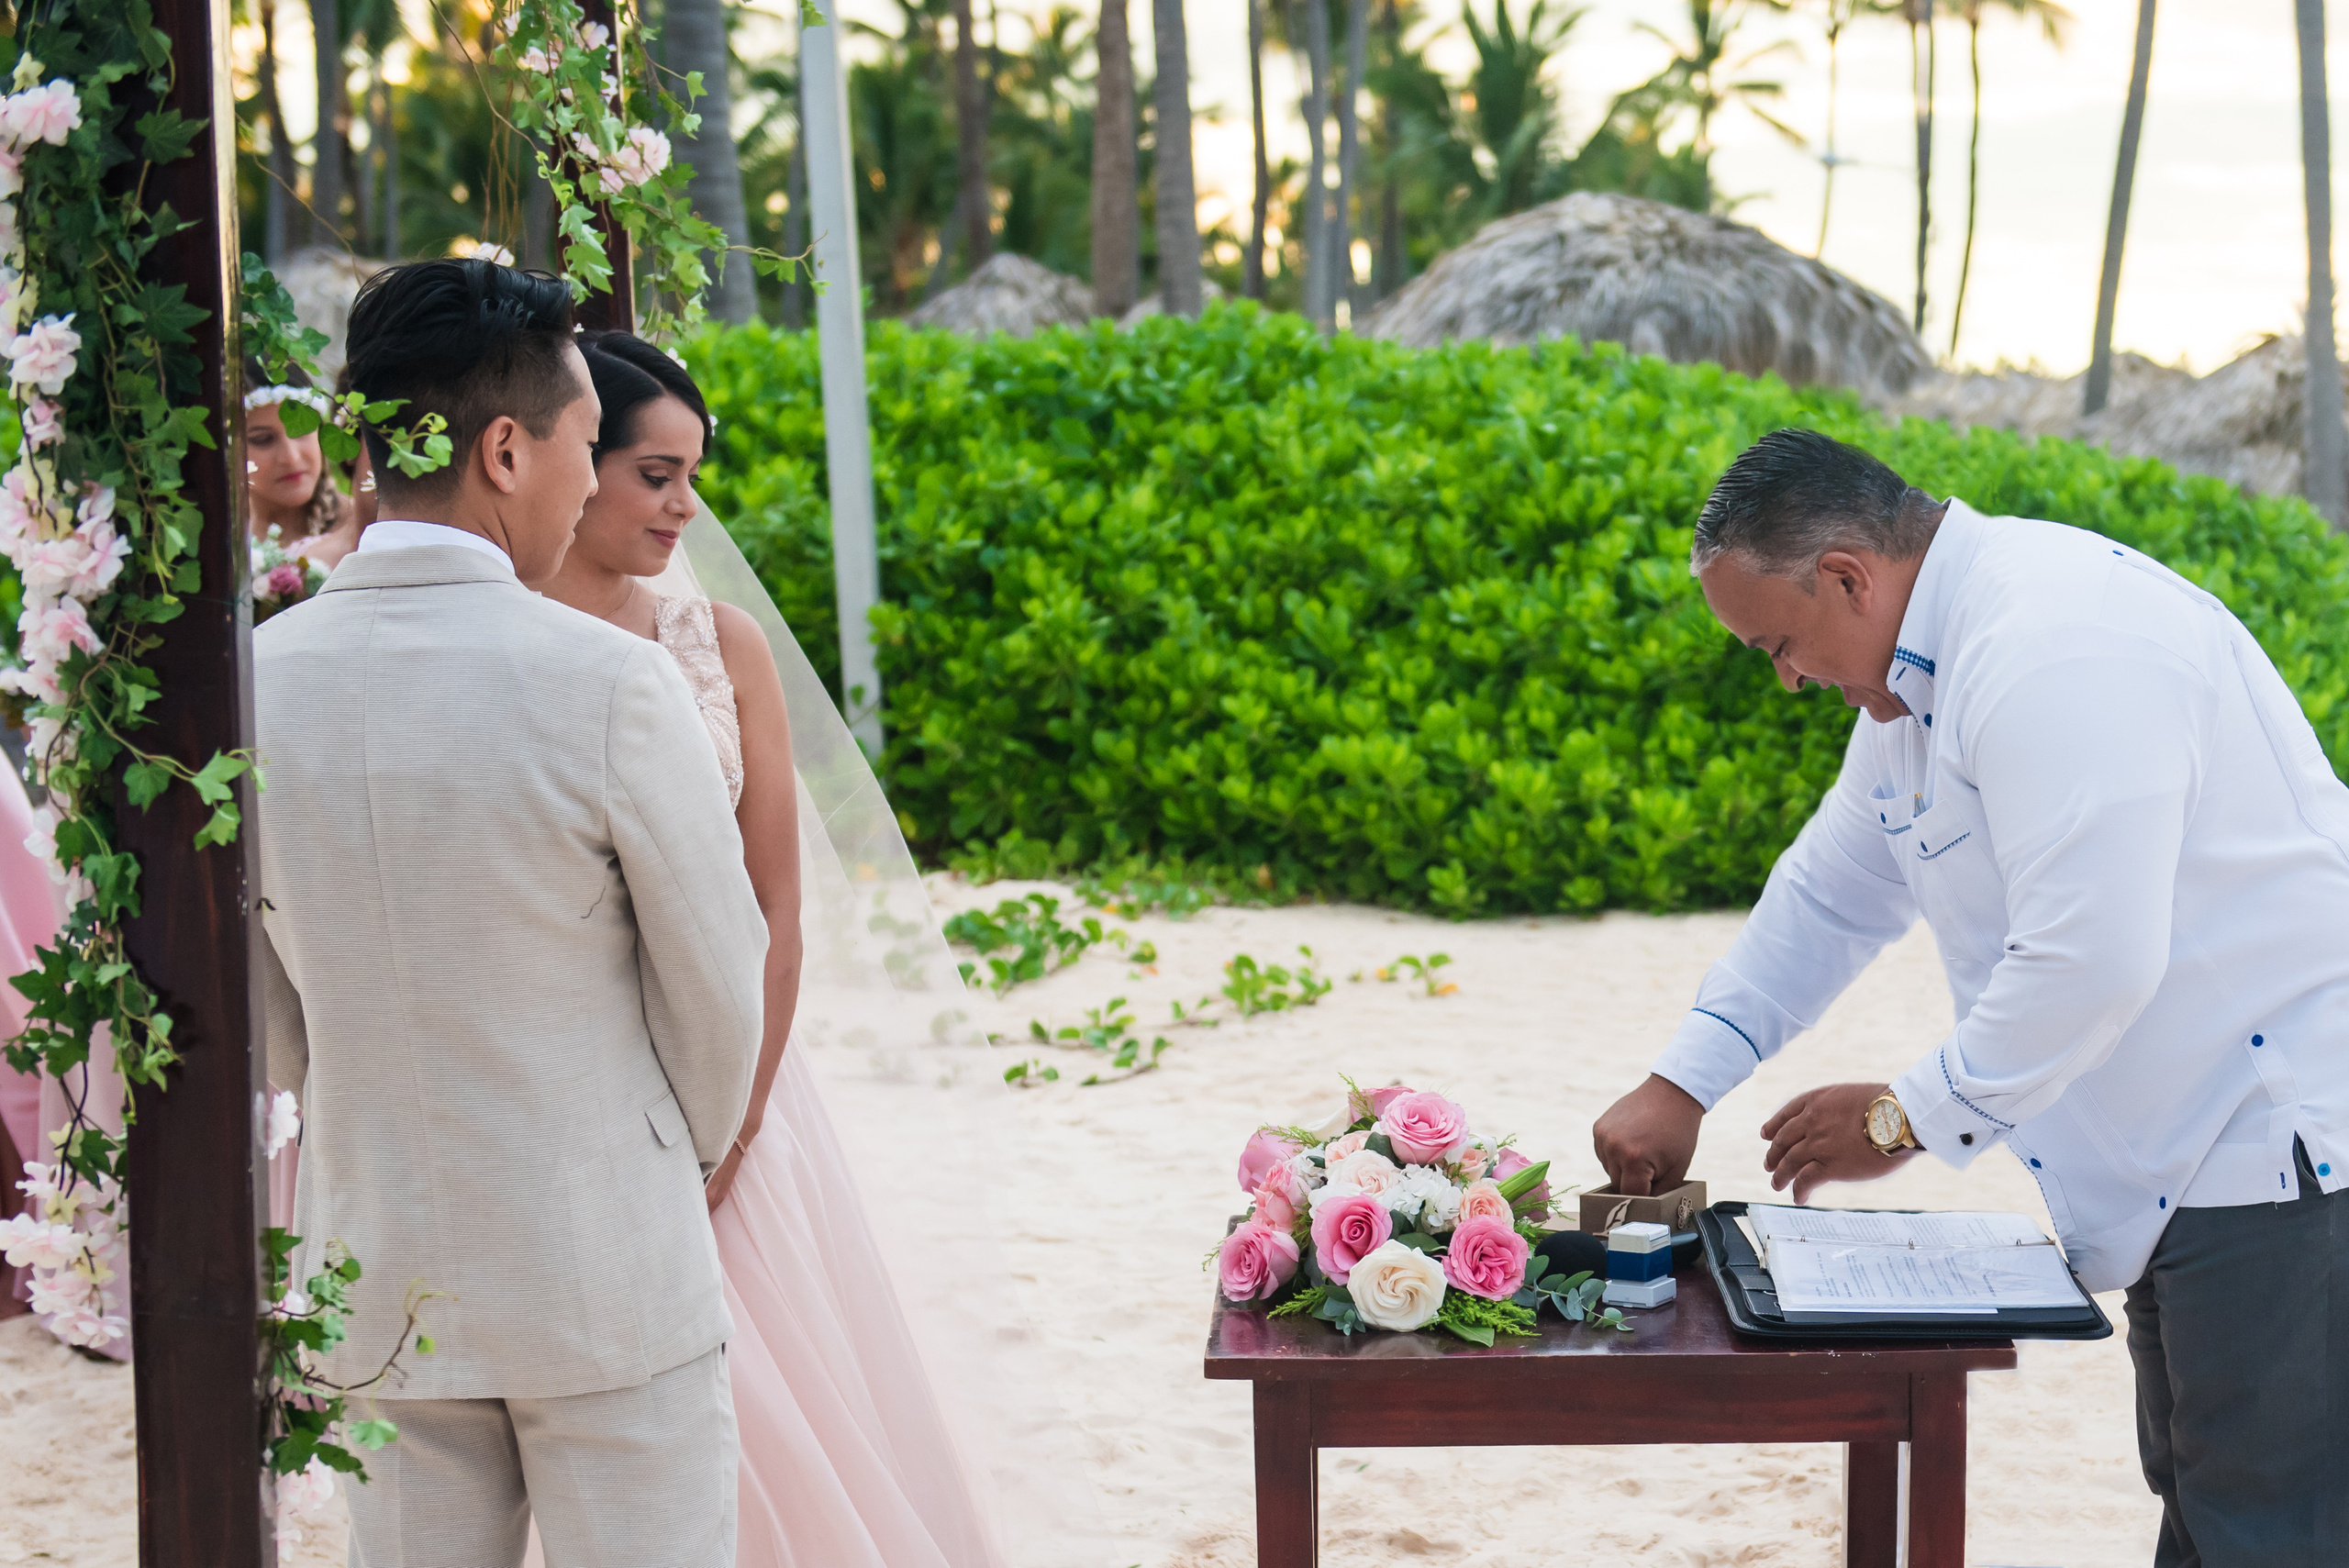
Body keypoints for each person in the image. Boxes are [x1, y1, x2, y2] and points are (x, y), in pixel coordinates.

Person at [1592, 428, 2349, 1565]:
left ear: (1848, 574)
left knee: (2264, 1528)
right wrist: (1681, 1077)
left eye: (1780, 644)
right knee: (2206, 1505)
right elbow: (1831, 894)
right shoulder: (1912, 685)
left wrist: (1904, 1115)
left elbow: (2090, 956)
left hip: (2277, 1146)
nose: (1786, 678)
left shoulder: (2052, 643)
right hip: (2166, 1158)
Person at [252, 259, 768, 1568]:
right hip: (604, 1270)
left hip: (378, 1274)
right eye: (588, 446)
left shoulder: (255, 686)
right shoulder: (608, 682)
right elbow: (719, 988)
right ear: (503, 449)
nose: (593, 482)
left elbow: (272, 1032)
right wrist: (659, 1167)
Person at [530, 330, 1006, 1567]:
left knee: (785, 1426)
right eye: (653, 473)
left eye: (693, 475)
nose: (684, 505)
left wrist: (731, 1131)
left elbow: (777, 910)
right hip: (559, 1091)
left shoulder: (722, 646)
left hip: (738, 1082)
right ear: (570, 463)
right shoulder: (507, 645)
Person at [241, 360, 349, 550]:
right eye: (263, 439)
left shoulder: (361, 529)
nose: (291, 458)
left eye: (300, 431)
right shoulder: (219, 535)